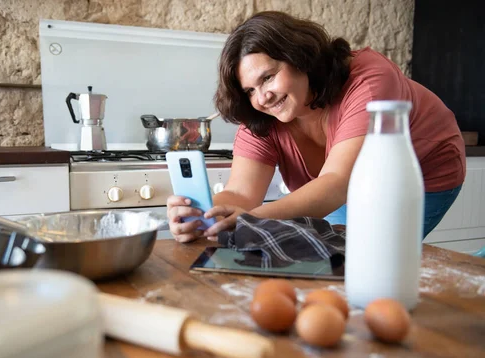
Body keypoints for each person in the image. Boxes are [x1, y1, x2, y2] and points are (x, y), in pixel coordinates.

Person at [167, 11, 466, 243]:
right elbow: (241, 195)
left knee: (373, 255)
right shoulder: (262, 114)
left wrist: (252, 219)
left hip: (422, 170)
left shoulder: (368, 81)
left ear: (299, 57)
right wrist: (203, 216)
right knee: (332, 253)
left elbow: (337, 182)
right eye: (249, 90)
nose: (262, 97)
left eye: (268, 77)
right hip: (343, 187)